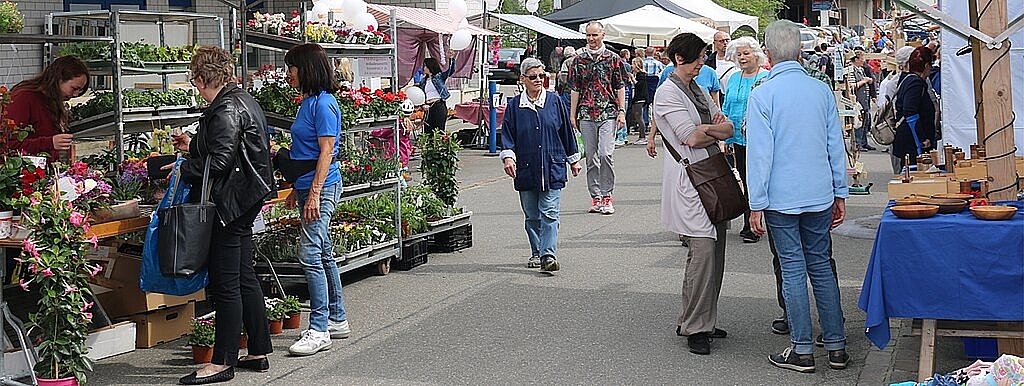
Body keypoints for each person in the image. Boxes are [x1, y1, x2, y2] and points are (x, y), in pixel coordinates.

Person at [746, 20, 849, 373]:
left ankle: (802, 349)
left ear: (769, 55)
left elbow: (759, 155)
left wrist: (755, 203)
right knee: (820, 265)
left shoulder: (763, 94)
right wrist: (841, 191)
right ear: (800, 52)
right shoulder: (820, 91)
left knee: (792, 268)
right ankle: (835, 344)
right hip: (819, 191)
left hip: (780, 196)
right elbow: (836, 146)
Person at [174, 46, 275, 385]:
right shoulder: (240, 99)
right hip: (247, 198)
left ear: (202, 78)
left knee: (226, 283)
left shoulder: (226, 108)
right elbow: (225, 148)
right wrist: (193, 145)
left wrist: (181, 168)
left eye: (194, 81)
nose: (195, 87)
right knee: (244, 275)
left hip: (231, 203)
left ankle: (222, 361)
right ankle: (258, 349)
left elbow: (219, 162)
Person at [653, 32, 735, 356]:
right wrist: (710, 130)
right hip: (692, 176)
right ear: (679, 58)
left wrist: (711, 129)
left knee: (716, 252)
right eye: (699, 57)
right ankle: (695, 327)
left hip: (712, 174)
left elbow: (728, 126)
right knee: (702, 252)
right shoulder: (667, 93)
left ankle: (702, 319)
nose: (704, 62)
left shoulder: (698, 88)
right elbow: (690, 136)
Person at [281, 43, 352, 357]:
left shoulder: (324, 104)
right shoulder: (308, 102)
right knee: (322, 253)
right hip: (308, 184)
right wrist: (297, 187)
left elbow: (326, 152)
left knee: (309, 254)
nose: (287, 74)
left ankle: (319, 328)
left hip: (321, 187)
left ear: (306, 69)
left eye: (291, 68)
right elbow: (305, 152)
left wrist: (312, 194)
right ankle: (336, 319)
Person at [500, 58, 582, 272]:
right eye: (533, 77)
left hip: (552, 165)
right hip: (525, 167)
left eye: (541, 76)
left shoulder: (555, 101)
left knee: (550, 212)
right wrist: (508, 156)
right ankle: (537, 251)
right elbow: (507, 135)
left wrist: (573, 159)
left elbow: (566, 132)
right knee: (532, 215)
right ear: (523, 79)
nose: (538, 80)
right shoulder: (514, 106)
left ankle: (548, 255)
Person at [570, 21, 627, 215]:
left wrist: (622, 111)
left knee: (605, 154)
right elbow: (575, 88)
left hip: (608, 112)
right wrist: (572, 114)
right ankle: (596, 197)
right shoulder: (579, 60)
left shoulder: (613, 59)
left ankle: (607, 195)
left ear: (603, 35)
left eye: (595, 35)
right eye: (588, 36)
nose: (591, 39)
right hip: (586, 113)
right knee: (591, 158)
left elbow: (620, 86)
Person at [720, 37, 769, 244]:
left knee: (756, 180)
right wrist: (724, 136)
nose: (742, 58)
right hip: (738, 139)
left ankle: (754, 225)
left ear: (756, 54)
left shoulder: (766, 77)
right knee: (744, 180)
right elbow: (727, 108)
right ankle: (749, 222)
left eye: (746, 53)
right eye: (739, 54)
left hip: (759, 139)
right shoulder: (733, 78)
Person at [3, 56, 89, 162]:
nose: (75, 95)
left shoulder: (51, 101)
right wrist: (50, 143)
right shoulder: (24, 98)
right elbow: (7, 144)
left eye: (80, 91)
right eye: (74, 89)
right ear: (59, 79)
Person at [893, 46, 938, 173]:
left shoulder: (907, 79)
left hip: (909, 139)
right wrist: (921, 139)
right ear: (926, 66)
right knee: (913, 173)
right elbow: (910, 112)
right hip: (912, 142)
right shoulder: (915, 83)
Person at [878, 46, 916, 174]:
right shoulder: (915, 81)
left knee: (900, 170)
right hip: (907, 130)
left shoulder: (891, 83)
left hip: (896, 130)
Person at [417, 53, 456, 135]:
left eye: (425, 66)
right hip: (428, 107)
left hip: (438, 105)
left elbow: (450, 71)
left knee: (438, 130)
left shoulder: (439, 76)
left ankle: (439, 146)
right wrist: (422, 105)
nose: (423, 68)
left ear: (429, 67)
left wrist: (451, 59)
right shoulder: (423, 81)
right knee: (428, 130)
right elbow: (420, 95)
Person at [849, 52, 876, 151]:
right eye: (861, 59)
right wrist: (864, 81)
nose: (863, 61)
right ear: (856, 60)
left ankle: (864, 142)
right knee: (858, 122)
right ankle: (857, 143)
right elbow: (851, 86)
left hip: (865, 99)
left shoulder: (861, 69)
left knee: (865, 120)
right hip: (858, 100)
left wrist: (869, 81)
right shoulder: (851, 70)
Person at [630, 56, 649, 145]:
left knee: (639, 117)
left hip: (640, 98)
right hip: (637, 98)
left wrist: (633, 79)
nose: (631, 66)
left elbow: (639, 86)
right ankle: (641, 136)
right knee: (638, 117)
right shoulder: (637, 74)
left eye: (633, 64)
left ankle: (642, 137)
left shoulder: (641, 75)